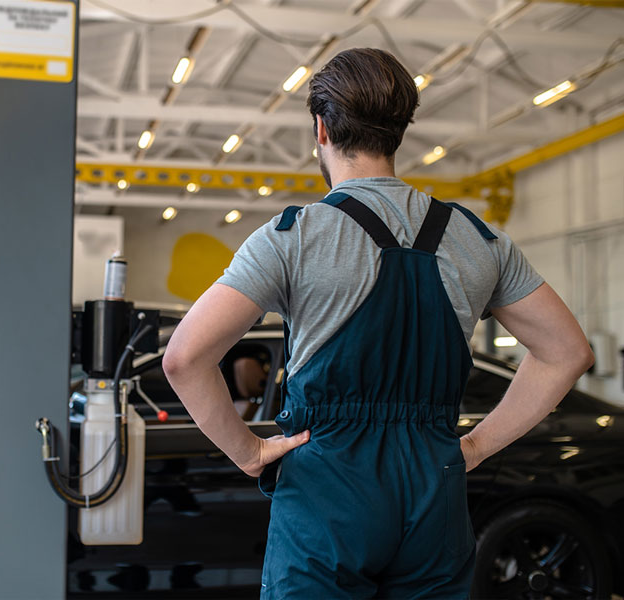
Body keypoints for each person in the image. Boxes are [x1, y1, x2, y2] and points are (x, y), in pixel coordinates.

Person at [162, 47, 593, 599]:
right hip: (433, 487)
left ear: (321, 128)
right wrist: (477, 446)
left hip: (326, 486)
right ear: (399, 130)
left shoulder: (292, 237)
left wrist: (250, 452)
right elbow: (567, 352)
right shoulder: (478, 238)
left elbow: (183, 358)